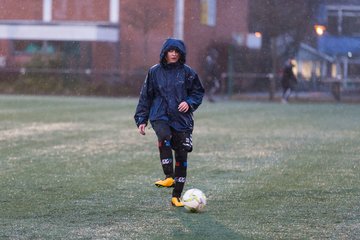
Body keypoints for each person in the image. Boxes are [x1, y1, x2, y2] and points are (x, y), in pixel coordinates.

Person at [134, 38, 205, 207]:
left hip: (182, 119)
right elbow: (146, 96)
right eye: (170, 51)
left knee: (182, 155)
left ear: (181, 54)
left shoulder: (188, 73)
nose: (173, 54)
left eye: (177, 52)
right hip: (160, 115)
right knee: (164, 134)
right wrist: (141, 119)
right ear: (164, 53)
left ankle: (176, 197)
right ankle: (169, 176)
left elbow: (198, 93)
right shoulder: (154, 72)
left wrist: (188, 102)